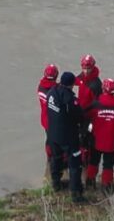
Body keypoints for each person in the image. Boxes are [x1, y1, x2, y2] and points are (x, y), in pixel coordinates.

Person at [45, 71, 86, 203]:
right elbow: (79, 116)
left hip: (52, 134)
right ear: (71, 84)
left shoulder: (51, 93)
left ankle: (56, 183)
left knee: (56, 158)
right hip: (68, 136)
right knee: (75, 164)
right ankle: (76, 194)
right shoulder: (70, 98)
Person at [88, 78, 114, 192]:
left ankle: (90, 183)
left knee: (93, 161)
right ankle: (106, 187)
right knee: (108, 165)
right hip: (112, 142)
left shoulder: (95, 105)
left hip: (96, 140)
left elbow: (87, 118)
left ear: (103, 90)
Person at [75, 54, 102, 185]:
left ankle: (87, 163)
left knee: (88, 140)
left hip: (90, 116)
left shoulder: (96, 84)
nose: (86, 71)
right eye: (84, 68)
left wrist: (93, 121)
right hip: (81, 112)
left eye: (88, 68)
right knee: (80, 138)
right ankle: (82, 159)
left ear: (93, 67)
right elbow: (73, 82)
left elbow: (98, 103)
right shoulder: (81, 78)